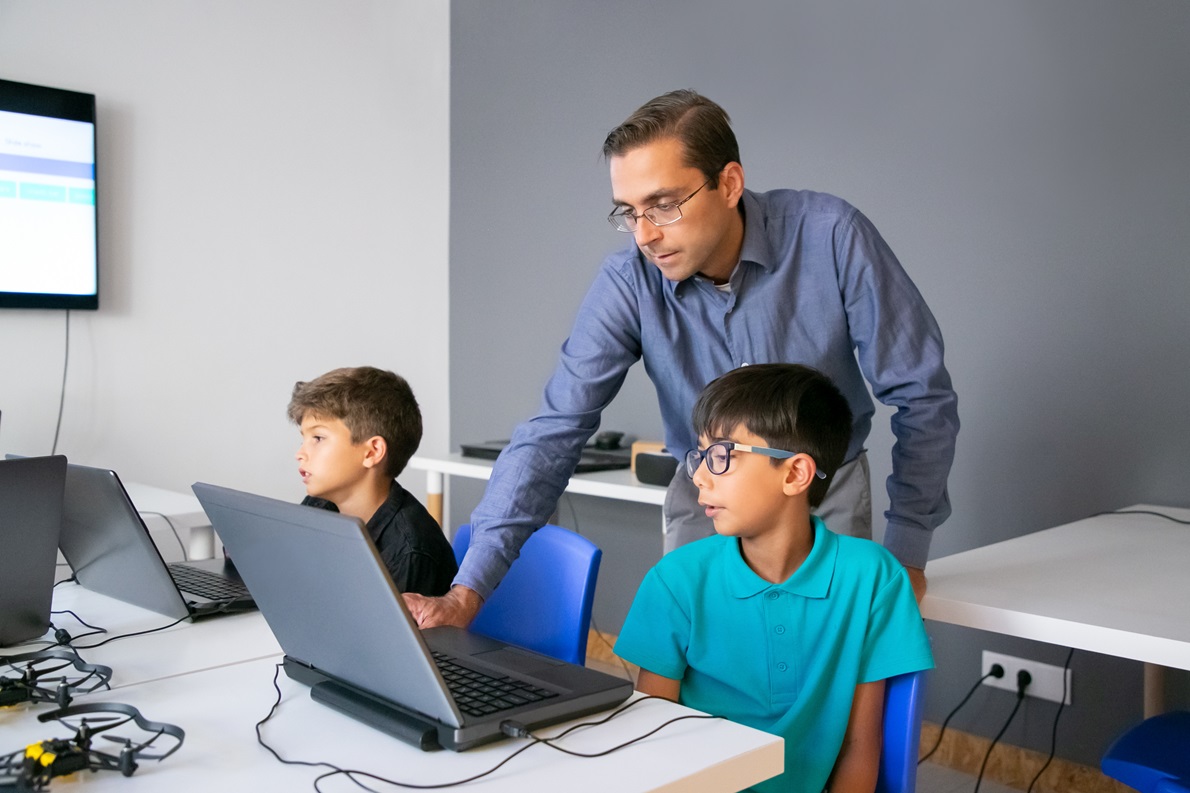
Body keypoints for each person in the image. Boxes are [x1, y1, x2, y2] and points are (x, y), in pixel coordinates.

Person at [404, 89, 958, 629]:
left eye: (664, 205)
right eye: (629, 212)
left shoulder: (832, 235)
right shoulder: (627, 282)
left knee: (827, 674)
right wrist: (467, 590)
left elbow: (923, 395)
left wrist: (907, 552)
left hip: (824, 494)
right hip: (705, 499)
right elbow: (553, 430)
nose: (645, 235)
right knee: (694, 678)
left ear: (729, 184)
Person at [615, 364, 934, 793]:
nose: (699, 476)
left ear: (795, 473)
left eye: (722, 456)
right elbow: (654, 740)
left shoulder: (874, 578)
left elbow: (860, 746)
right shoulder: (676, 581)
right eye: (700, 455)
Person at [288, 366, 457, 596]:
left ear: (372, 452)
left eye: (318, 438)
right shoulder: (318, 506)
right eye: (304, 439)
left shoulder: (410, 552)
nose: (300, 454)